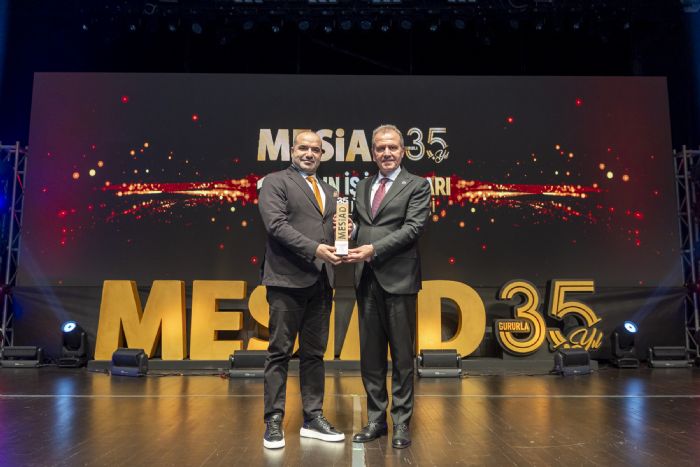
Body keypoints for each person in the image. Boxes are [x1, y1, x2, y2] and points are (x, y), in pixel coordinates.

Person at [344, 124, 431, 449]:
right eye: (380, 148)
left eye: (392, 147)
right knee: (371, 356)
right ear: (373, 152)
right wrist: (349, 230)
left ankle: (402, 423)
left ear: (403, 151)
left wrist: (373, 249)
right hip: (366, 279)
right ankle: (376, 420)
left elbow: (413, 228)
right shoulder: (363, 185)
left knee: (403, 358)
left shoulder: (417, 185)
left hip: (399, 280)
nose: (386, 153)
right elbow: (362, 224)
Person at [258, 130, 346, 449]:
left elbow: (329, 231)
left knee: (314, 354)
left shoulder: (330, 190)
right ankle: (273, 420)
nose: (309, 153)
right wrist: (315, 249)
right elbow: (276, 226)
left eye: (315, 150)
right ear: (292, 150)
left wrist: (345, 231)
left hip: (321, 281)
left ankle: (312, 418)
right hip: (286, 280)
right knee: (279, 352)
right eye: (303, 148)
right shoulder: (274, 182)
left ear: (322, 155)